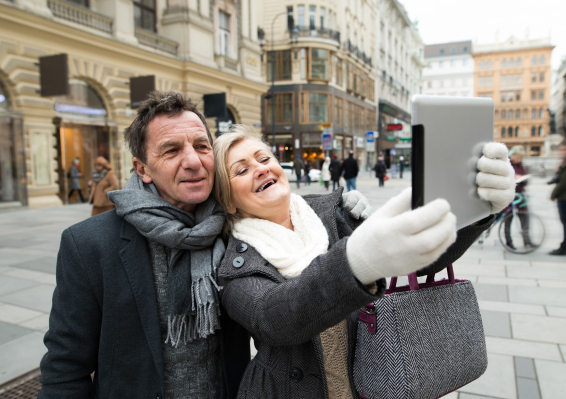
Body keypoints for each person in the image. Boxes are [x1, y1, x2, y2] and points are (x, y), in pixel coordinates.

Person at [39, 92, 371, 399]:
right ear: (143, 169)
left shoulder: (235, 228)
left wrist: (338, 206)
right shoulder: (89, 244)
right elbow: (66, 367)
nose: (194, 161)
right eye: (171, 150)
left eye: (201, 146)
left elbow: (280, 210)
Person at [211, 126, 515, 399]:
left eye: (264, 159)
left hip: (369, 385)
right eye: (241, 170)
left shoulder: (336, 211)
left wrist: (477, 208)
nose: (260, 169)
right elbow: (275, 319)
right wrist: (355, 262)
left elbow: (417, 261)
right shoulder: (235, 265)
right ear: (228, 200)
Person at [503, 146, 533, 250]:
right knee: (508, 219)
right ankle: (508, 241)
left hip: (520, 195)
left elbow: (526, 181)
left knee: (525, 218)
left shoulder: (521, 165)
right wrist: (514, 178)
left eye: (521, 157)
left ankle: (527, 241)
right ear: (513, 155)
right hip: (511, 196)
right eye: (518, 157)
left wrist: (523, 179)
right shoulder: (507, 164)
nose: (520, 159)